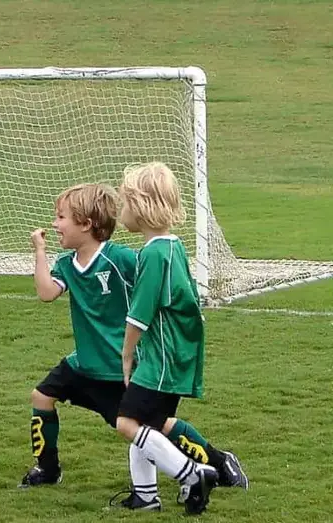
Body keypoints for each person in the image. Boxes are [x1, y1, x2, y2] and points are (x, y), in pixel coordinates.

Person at [20, 182, 247, 511]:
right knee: (42, 396)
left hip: (117, 368)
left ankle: (217, 462)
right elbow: (45, 292)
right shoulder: (68, 264)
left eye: (61, 217)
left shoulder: (122, 259)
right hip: (83, 363)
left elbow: (152, 290)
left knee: (150, 425)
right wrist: (39, 252)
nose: (55, 224)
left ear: (86, 223)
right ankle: (48, 469)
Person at [113, 162, 227, 515]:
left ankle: (194, 473)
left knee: (126, 423)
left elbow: (139, 314)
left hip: (164, 358)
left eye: (126, 202)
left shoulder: (154, 253)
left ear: (142, 205)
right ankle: (146, 496)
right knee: (145, 425)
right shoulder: (173, 246)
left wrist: (126, 354)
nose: (122, 211)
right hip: (174, 354)